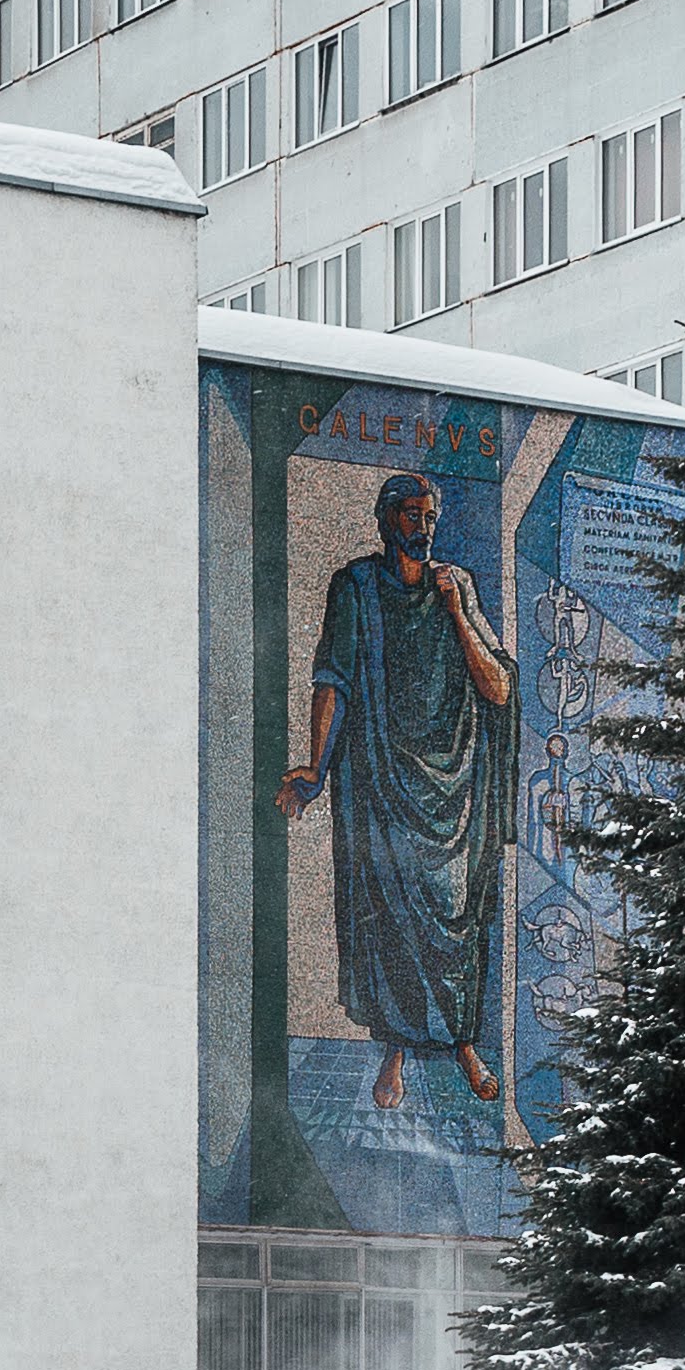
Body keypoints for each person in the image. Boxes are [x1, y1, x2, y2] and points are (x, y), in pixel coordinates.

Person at [277, 470, 517, 1109]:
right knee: (389, 920)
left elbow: (498, 688)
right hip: (382, 779)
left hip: (455, 786)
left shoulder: (456, 585)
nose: (423, 526)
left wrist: (457, 612)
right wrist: (315, 767)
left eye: (429, 515)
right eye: (411, 514)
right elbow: (333, 680)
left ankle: (464, 1045)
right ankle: (395, 1052)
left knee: (457, 917)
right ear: (387, 520)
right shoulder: (356, 587)